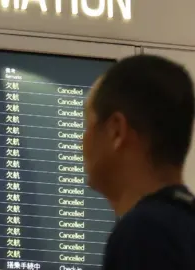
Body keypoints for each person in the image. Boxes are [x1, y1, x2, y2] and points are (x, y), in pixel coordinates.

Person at [83, 54, 195, 269]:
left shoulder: (144, 233)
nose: (83, 139)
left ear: (116, 130)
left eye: (87, 123)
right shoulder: (183, 225)